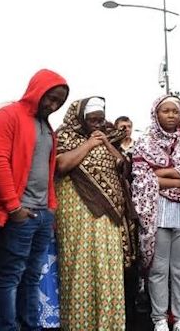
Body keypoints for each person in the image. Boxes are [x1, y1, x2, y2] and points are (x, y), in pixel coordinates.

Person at [0, 69, 68, 331]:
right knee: (11, 278)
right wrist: (14, 207)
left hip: (42, 213)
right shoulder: (9, 114)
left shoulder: (47, 125)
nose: (53, 105)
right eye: (50, 98)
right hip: (20, 213)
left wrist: (51, 208)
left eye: (58, 101)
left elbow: (47, 169)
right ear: (38, 90)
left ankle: (30, 326)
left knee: (32, 277)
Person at [54, 96, 137, 330]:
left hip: (108, 216)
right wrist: (90, 144)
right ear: (80, 117)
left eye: (101, 119)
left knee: (108, 270)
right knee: (79, 268)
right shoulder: (65, 135)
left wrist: (106, 143)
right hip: (76, 214)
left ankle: (109, 324)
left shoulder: (110, 136)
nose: (98, 124)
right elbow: (61, 165)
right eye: (92, 120)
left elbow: (122, 164)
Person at [132, 95, 180, 331]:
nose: (170, 115)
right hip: (155, 212)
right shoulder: (144, 141)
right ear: (155, 114)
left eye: (174, 112)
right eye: (165, 111)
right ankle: (158, 318)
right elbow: (142, 177)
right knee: (158, 269)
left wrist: (160, 175)